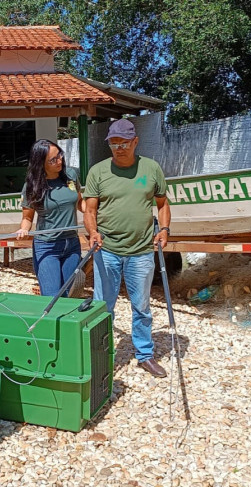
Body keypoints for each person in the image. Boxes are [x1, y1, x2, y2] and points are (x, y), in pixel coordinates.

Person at [83, 119, 171, 378]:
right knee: (103, 307)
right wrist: (93, 232)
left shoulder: (151, 168)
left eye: (124, 142)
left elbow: (163, 204)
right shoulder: (98, 171)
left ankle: (144, 354)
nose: (119, 147)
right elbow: (90, 210)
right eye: (113, 142)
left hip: (142, 250)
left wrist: (164, 230)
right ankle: (100, 355)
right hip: (106, 249)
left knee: (142, 306)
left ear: (135, 142)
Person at [16, 139, 83, 297]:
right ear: (41, 163)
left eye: (60, 155)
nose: (59, 161)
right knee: (52, 296)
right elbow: (27, 217)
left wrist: (94, 216)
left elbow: (80, 202)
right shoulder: (33, 187)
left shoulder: (70, 176)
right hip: (47, 246)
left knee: (72, 293)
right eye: (53, 160)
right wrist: (24, 229)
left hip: (72, 243)